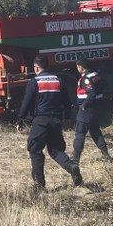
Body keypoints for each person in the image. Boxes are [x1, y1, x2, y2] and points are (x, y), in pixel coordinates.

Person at [17, 55, 83, 191]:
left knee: (35, 150)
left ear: (36, 67)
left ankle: (40, 186)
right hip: (56, 121)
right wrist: (67, 117)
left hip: (41, 121)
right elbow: (67, 101)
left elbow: (26, 103)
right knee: (56, 150)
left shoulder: (34, 82)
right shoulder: (58, 80)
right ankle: (71, 167)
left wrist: (20, 120)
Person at [73, 57, 113, 163]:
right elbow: (105, 84)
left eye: (77, 66)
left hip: (87, 109)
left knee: (80, 133)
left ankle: (75, 159)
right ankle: (106, 155)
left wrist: (84, 105)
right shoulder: (95, 75)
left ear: (81, 67)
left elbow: (91, 93)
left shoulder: (85, 79)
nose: (77, 68)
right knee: (95, 131)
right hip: (97, 108)